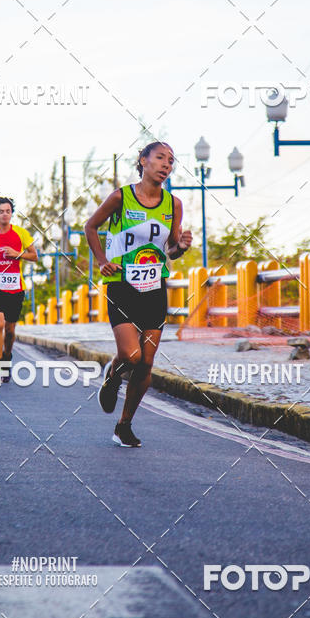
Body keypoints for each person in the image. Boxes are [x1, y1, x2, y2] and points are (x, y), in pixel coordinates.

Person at [84, 142, 192, 447]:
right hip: (121, 285)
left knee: (146, 362)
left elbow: (171, 250)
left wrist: (180, 247)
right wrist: (102, 262)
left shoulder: (173, 205)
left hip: (155, 287)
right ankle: (114, 374)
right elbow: (90, 226)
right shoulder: (122, 196)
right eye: (160, 158)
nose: (166, 165)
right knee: (131, 356)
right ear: (142, 160)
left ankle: (124, 425)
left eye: (171, 161)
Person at [0, 197, 37, 383]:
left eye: (8, 211)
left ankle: (7, 356)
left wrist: (17, 254)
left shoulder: (21, 233)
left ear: (11, 213)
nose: (5, 214)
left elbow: (34, 256)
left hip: (15, 287)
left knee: (10, 330)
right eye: (1, 211)